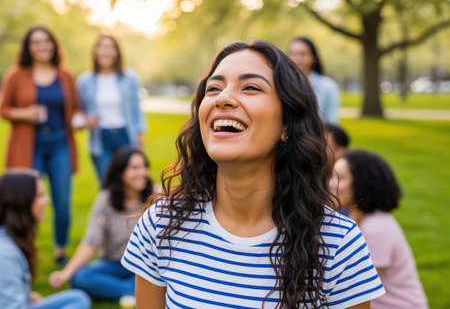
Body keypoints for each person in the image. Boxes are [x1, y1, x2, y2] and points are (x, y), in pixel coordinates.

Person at [121, 40, 384, 308]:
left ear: (287, 124)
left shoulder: (338, 243)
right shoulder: (161, 224)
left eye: (250, 87)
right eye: (213, 88)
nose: (222, 98)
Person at [0, 26, 83, 266]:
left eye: (46, 41)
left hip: (59, 144)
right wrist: (25, 113)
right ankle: (23, 250)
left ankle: (60, 250)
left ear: (53, 45)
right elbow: (4, 109)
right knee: (25, 201)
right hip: (30, 145)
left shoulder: (66, 75)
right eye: (35, 42)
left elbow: (75, 108)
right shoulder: (16, 75)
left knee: (62, 201)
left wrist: (79, 119)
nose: (41, 46)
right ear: (28, 47)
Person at [49, 147, 153, 301]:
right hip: (114, 264)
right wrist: (66, 272)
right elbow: (91, 242)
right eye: (134, 168)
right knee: (80, 277)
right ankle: (135, 292)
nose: (141, 173)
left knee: (156, 277)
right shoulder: (106, 199)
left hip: (145, 266)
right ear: (120, 172)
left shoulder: (156, 196)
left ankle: (129, 291)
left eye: (144, 167)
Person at [329, 150, 428, 309]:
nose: (331, 184)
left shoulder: (377, 228)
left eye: (340, 177)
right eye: (332, 176)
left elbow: (355, 285)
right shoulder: (357, 219)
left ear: (362, 182)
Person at [0, 169, 91, 309]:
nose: (47, 200)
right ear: (23, 202)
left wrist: (25, 295)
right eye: (40, 195)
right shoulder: (5, 254)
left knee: (78, 298)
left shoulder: (12, 239)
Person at [77, 34, 147, 183]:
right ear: (95, 52)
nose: (106, 51)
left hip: (125, 136)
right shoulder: (85, 81)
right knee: (107, 185)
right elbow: (78, 111)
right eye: (102, 47)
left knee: (129, 183)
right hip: (100, 138)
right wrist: (85, 119)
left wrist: (140, 142)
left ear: (117, 52)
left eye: (111, 48)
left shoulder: (130, 78)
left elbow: (137, 111)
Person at [287, 36, 340, 124]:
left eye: (303, 54)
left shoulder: (328, 86)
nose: (298, 59)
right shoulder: (281, 83)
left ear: (313, 57)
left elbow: (331, 121)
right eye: (293, 53)